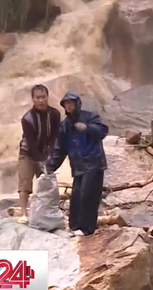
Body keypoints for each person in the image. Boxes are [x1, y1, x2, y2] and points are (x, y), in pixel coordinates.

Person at [45, 91, 108, 236]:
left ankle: (87, 229)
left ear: (78, 104)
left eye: (71, 103)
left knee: (88, 195)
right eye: (66, 104)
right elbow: (59, 149)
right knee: (77, 196)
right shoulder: (65, 126)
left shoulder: (90, 117)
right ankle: (74, 227)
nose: (69, 106)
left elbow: (103, 131)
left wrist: (87, 128)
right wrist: (49, 167)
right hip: (78, 166)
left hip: (94, 164)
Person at [17, 84, 61, 224]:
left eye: (43, 97)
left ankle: (46, 212)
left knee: (46, 183)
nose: (41, 100)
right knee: (25, 182)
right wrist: (40, 160)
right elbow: (30, 142)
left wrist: (51, 155)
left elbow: (55, 136)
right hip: (28, 153)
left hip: (45, 153)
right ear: (33, 99)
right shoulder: (27, 119)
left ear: (48, 97)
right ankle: (24, 213)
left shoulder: (55, 114)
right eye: (38, 98)